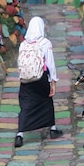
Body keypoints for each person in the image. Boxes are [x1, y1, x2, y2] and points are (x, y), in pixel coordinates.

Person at [15, 16, 62, 147]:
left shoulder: (23, 44)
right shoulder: (45, 43)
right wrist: (53, 82)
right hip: (40, 78)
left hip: (25, 80)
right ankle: (52, 129)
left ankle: (20, 134)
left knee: (25, 105)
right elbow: (51, 65)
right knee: (47, 101)